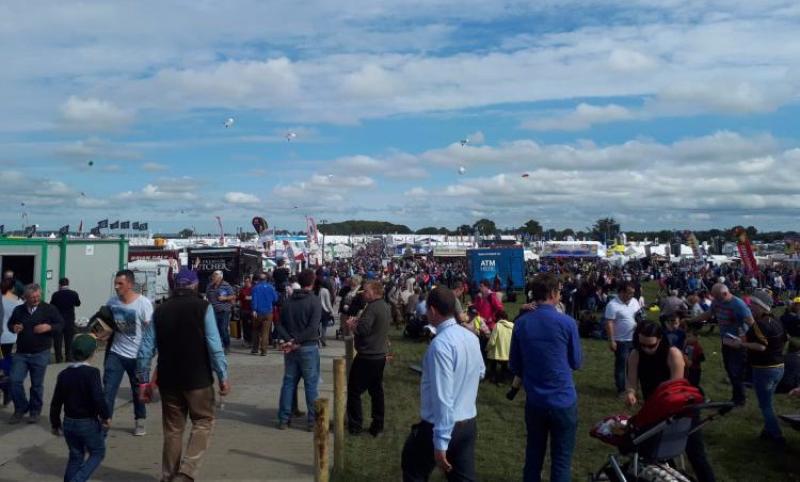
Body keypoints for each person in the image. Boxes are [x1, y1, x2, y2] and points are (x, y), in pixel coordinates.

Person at [137, 268, 230, 482]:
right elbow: (214, 346)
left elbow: (145, 349)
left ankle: (168, 475)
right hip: (198, 378)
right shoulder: (203, 307)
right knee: (203, 421)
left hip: (169, 380)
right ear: (195, 285)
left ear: (175, 286)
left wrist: (144, 382)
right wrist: (222, 376)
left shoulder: (159, 310)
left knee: (172, 430)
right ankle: (187, 472)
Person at [401, 286, 485, 482]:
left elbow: (443, 398)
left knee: (413, 468)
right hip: (467, 423)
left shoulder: (440, 344)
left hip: (442, 425)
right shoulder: (470, 336)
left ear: (432, 310)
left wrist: (440, 442)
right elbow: (481, 372)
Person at [510, 273, 582, 482]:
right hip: (563, 399)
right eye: (559, 291)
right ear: (553, 293)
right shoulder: (567, 323)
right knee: (561, 461)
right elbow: (576, 362)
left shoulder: (522, 323)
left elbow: (515, 364)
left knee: (533, 456)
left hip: (535, 400)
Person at [624, 321, 716, 482]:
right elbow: (632, 381)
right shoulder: (635, 354)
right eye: (642, 344)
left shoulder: (672, 354)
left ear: (660, 339)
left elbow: (675, 389)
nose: (646, 349)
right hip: (654, 409)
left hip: (681, 408)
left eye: (650, 345)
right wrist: (631, 393)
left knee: (695, 453)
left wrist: (658, 409)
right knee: (656, 453)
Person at [727, 289, 787, 445]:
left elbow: (761, 347)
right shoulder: (776, 320)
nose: (750, 307)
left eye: (753, 304)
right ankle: (767, 431)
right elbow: (783, 339)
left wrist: (741, 344)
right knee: (768, 400)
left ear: (761, 306)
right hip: (779, 366)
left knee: (764, 404)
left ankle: (777, 436)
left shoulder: (758, 324)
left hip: (765, 369)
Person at [50, 334, 110, 482]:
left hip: (69, 422)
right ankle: (77, 480)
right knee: (98, 452)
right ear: (92, 353)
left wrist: (55, 423)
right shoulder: (92, 373)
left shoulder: (64, 374)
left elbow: (56, 402)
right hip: (87, 422)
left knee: (76, 455)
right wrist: (105, 416)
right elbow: (98, 397)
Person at [104, 269, 153, 436]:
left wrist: (149, 353)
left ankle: (140, 421)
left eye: (120, 284)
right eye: (115, 284)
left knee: (138, 390)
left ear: (130, 285)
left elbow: (150, 331)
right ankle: (105, 420)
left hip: (137, 356)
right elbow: (106, 324)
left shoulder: (143, 303)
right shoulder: (112, 302)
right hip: (116, 353)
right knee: (108, 389)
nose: (117, 287)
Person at [689, 283, 754, 406]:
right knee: (729, 369)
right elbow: (708, 314)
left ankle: (739, 399)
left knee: (736, 371)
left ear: (725, 293)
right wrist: (692, 320)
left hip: (738, 343)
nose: (715, 299)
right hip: (726, 341)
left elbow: (752, 323)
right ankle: (737, 396)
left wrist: (749, 340)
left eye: (717, 297)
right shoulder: (717, 302)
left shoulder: (738, 305)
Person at [7, 283, 64, 424]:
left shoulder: (49, 309)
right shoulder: (19, 310)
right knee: (14, 380)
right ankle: (21, 408)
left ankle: (35, 411)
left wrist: (48, 327)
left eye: (38, 296)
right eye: (32, 297)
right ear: (25, 297)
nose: (36, 299)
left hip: (40, 352)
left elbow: (61, 324)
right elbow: (10, 324)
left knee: (37, 385)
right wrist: (14, 327)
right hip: (21, 353)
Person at [275, 269, 321, 430]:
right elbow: (313, 327)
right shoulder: (314, 301)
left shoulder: (288, 301)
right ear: (313, 282)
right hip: (307, 346)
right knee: (311, 384)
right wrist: (295, 341)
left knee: (288, 383)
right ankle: (312, 421)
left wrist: (290, 340)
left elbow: (279, 324)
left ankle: (284, 418)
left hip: (293, 346)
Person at [345, 280, 391, 436]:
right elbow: (374, 327)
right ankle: (377, 425)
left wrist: (352, 326)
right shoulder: (384, 306)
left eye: (365, 291)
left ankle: (355, 425)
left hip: (368, 355)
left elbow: (364, 330)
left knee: (354, 390)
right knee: (376, 390)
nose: (363, 294)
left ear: (374, 292)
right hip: (379, 355)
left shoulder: (372, 308)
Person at [604, 281, 641, 394]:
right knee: (621, 366)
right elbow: (609, 323)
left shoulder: (634, 301)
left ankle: (632, 388)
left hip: (635, 339)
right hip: (621, 341)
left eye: (633, 293)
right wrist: (612, 340)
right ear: (621, 292)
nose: (631, 295)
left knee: (633, 365)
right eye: (629, 293)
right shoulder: (612, 305)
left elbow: (639, 315)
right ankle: (621, 389)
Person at [1, 279, 22, 406]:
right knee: (7, 365)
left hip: (2, 337)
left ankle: (5, 388)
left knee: (2, 364)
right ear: (13, 288)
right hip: (11, 337)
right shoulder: (17, 302)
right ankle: (7, 390)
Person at [50, 277, 81, 363]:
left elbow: (51, 305)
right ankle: (68, 357)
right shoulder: (74, 294)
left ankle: (59, 358)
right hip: (69, 320)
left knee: (58, 340)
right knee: (69, 340)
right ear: (68, 284)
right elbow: (78, 304)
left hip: (58, 320)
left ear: (59, 285)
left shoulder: (55, 295)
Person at [205, 271, 235, 355]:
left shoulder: (226, 285)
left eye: (214, 276)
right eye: (213, 276)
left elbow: (233, 296)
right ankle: (218, 346)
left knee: (223, 328)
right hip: (213, 310)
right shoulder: (209, 286)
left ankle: (227, 346)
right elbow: (207, 296)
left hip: (224, 310)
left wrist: (225, 298)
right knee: (215, 329)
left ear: (220, 277)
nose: (213, 278)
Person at [251, 273, 278, 356]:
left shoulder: (255, 288)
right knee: (265, 332)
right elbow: (275, 299)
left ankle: (255, 349)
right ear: (266, 279)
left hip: (258, 312)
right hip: (268, 312)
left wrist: (254, 309)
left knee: (256, 330)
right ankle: (264, 350)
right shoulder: (271, 287)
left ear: (258, 279)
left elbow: (254, 300)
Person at [485, 310, 513, 384]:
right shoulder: (512, 326)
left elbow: (492, 341)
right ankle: (502, 381)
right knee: (504, 367)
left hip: (497, 353)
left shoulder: (497, 325)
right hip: (508, 352)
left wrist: (487, 348)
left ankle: (492, 378)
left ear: (498, 318)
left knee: (493, 364)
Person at [314, 277, 334, 347]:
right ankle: (323, 339)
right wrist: (332, 311)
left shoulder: (314, 290)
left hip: (316, 310)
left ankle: (317, 339)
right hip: (324, 310)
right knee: (324, 327)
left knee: (317, 326)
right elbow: (328, 303)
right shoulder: (325, 291)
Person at [238, 275, 253, 347]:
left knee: (252, 326)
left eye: (248, 281)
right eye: (245, 281)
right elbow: (241, 298)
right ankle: (246, 340)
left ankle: (251, 341)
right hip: (244, 310)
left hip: (251, 310)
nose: (246, 283)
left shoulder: (253, 289)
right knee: (245, 326)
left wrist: (248, 297)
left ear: (250, 281)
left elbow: (248, 298)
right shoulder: (242, 289)